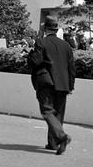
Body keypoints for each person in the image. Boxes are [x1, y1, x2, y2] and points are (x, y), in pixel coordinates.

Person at [29, 15, 75, 155]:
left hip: (47, 83)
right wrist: (70, 86)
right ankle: (53, 143)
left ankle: (62, 137)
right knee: (58, 114)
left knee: (47, 111)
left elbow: (36, 61)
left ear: (45, 29)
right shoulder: (66, 46)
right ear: (56, 29)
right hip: (63, 84)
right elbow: (71, 68)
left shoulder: (41, 42)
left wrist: (30, 53)